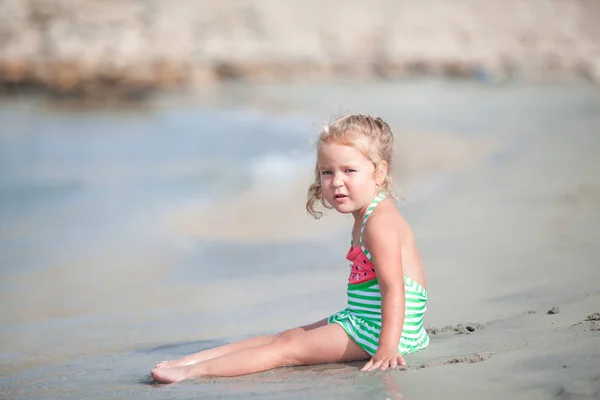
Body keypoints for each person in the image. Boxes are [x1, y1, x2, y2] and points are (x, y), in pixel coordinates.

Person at [150, 114, 430, 384]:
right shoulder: (367, 215)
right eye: (327, 172)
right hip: (365, 319)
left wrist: (387, 347)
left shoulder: (379, 223)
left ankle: (191, 373)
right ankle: (191, 360)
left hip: (386, 331)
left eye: (349, 171)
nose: (337, 182)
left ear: (379, 172)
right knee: (285, 336)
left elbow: (393, 287)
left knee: (286, 350)